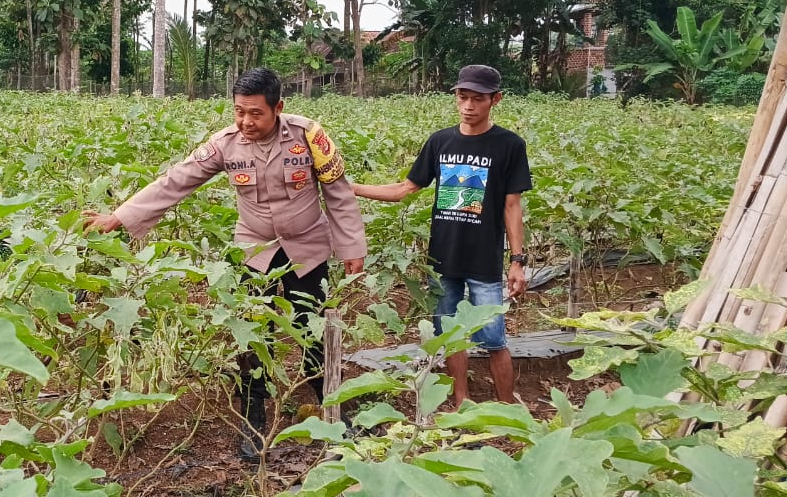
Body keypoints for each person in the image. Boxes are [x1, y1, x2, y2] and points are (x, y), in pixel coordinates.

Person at [83, 68, 367, 461]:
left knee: (312, 325)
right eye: (239, 112)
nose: (245, 122)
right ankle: (253, 415)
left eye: (255, 114)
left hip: (308, 248)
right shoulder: (225, 145)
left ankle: (329, 402)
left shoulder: (310, 138)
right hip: (254, 249)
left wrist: (352, 246)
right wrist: (120, 216)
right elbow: (175, 181)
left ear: (278, 109)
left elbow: (337, 193)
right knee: (250, 333)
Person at [352, 64, 531, 406]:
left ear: (496, 100)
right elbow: (405, 188)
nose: (468, 106)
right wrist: (351, 188)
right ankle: (461, 403)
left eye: (477, 99)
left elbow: (512, 206)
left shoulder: (509, 145)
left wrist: (517, 261)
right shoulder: (440, 142)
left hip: (484, 262)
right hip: (442, 260)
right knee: (449, 337)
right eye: (463, 97)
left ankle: (508, 410)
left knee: (494, 338)